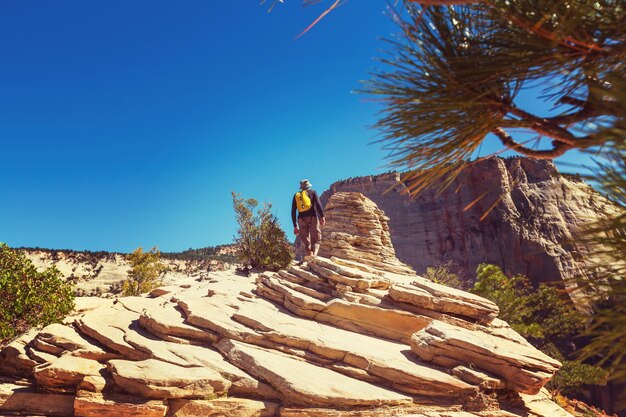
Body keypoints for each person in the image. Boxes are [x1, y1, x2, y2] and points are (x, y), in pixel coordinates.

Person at [292, 179, 325, 257]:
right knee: (316, 238)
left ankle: (309, 253)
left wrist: (295, 225)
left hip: (301, 219)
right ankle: (314, 255)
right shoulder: (312, 192)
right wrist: (322, 216)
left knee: (305, 238)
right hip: (312, 216)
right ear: (308, 186)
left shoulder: (296, 195)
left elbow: (293, 210)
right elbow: (318, 204)